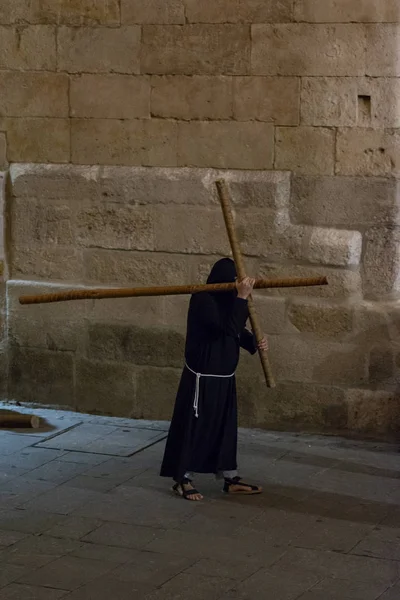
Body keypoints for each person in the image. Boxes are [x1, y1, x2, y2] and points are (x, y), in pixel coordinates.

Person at [160, 257, 268, 501]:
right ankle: (183, 479)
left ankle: (230, 479)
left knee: (224, 429)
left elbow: (237, 331)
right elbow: (227, 327)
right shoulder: (202, 299)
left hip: (224, 378)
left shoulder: (228, 300)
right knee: (194, 428)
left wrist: (255, 342)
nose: (235, 286)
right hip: (201, 379)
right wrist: (241, 298)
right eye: (233, 282)